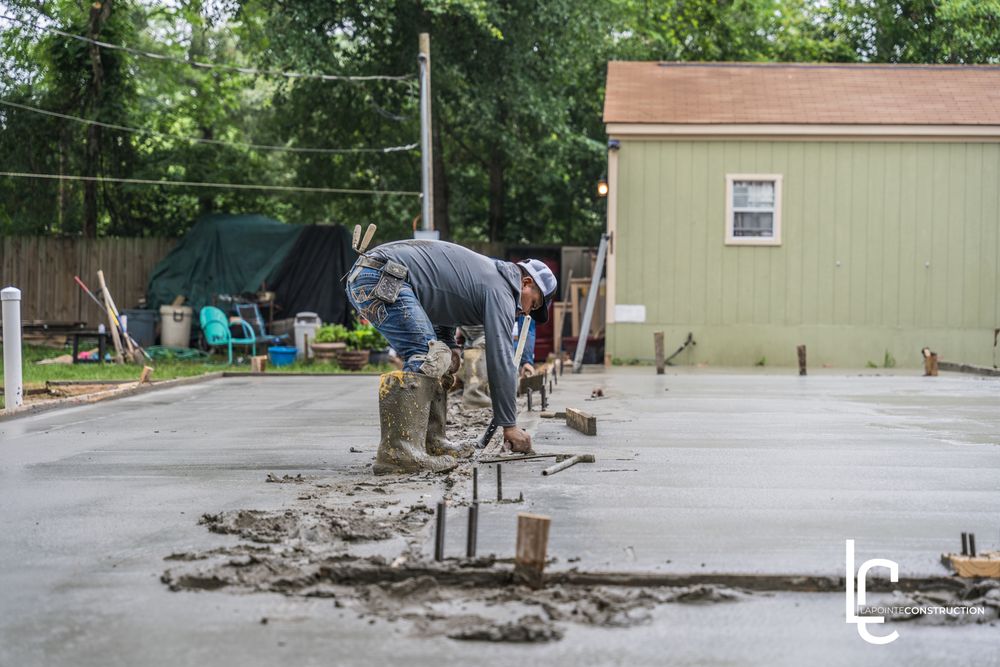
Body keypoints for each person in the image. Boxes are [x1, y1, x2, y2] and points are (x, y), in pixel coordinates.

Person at [345, 240, 556, 475]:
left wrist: (448, 343)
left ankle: (431, 443)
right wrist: (510, 426)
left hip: (379, 273)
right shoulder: (502, 289)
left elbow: (443, 299)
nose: (526, 312)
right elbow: (501, 358)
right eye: (533, 303)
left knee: (440, 357)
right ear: (526, 283)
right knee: (427, 355)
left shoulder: (486, 276)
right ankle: (399, 454)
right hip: (382, 275)